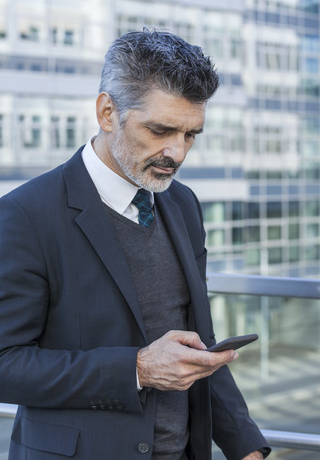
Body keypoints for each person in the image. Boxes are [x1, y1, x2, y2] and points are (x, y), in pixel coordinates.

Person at [0, 28, 270, 460]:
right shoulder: (24, 215)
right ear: (107, 112)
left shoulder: (183, 204)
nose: (177, 153)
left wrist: (247, 448)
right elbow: (5, 363)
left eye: (190, 134)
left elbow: (201, 346)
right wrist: (137, 369)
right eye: (161, 129)